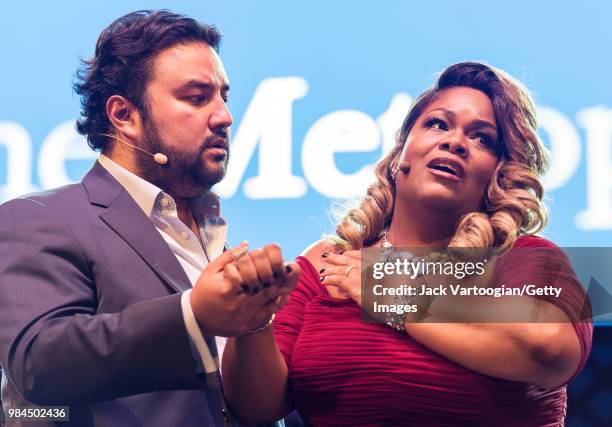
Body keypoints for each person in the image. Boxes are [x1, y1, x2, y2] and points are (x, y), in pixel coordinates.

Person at [222, 62, 593, 426]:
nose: (455, 141)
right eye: (437, 124)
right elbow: (257, 408)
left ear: (498, 173)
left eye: (482, 138)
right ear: (402, 152)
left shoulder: (526, 258)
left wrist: (387, 289)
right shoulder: (328, 262)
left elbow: (551, 351)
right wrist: (252, 323)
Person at [0, 10, 299, 427]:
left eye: (223, 97)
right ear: (124, 115)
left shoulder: (218, 241)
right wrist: (192, 315)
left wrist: (256, 327)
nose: (224, 117)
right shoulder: (36, 219)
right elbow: (38, 363)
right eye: (197, 97)